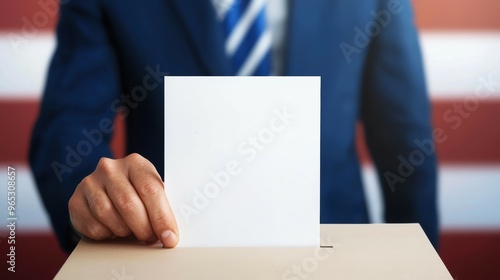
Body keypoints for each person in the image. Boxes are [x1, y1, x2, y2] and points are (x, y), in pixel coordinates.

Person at [29, 0, 438, 253]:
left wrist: (421, 259)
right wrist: (98, 201)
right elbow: (68, 128)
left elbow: (405, 141)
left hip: (333, 243)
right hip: (166, 249)